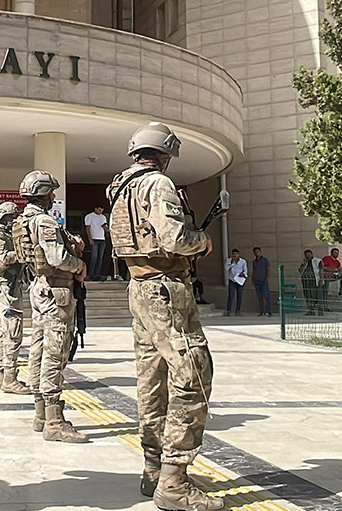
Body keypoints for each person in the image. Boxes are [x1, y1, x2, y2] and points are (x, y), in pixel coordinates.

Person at [108, 122, 223, 510]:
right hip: (166, 289)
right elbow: (174, 239)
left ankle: (154, 469)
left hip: (139, 288)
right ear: (166, 153)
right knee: (194, 372)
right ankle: (174, 480)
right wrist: (202, 242)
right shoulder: (157, 184)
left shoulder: (120, 188)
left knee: (151, 379)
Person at [14, 170, 89, 444]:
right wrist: (79, 264)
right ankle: (55, 421)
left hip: (39, 288)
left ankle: (40, 414)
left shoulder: (25, 220)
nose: (53, 197)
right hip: (56, 290)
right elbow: (57, 257)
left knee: (39, 348)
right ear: (44, 194)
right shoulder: (44, 221)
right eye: (51, 193)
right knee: (54, 353)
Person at [0, 201, 27, 394]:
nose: (14, 220)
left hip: (10, 284)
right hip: (5, 285)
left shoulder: (6, 234)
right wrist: (20, 254)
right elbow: (0, 261)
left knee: (5, 329)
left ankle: (3, 370)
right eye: (11, 217)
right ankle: (10, 377)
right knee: (12, 330)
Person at [84, 205, 108, 281]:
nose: (101, 210)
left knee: (100, 258)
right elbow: (87, 228)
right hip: (94, 238)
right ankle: (91, 274)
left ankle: (97, 274)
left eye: (102, 209)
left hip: (102, 239)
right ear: (95, 208)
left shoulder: (103, 217)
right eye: (99, 209)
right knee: (94, 257)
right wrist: (90, 239)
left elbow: (104, 227)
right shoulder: (89, 216)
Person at [299, 249, 323, 316]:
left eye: (309, 255)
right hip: (306, 281)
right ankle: (310, 309)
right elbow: (300, 271)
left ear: (312, 254)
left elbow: (321, 270)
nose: (308, 256)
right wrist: (303, 264)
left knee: (316, 295)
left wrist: (321, 279)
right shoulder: (305, 263)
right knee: (307, 295)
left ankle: (318, 309)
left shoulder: (317, 261)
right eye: (307, 255)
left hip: (314, 280)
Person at [224, 249, 247, 316]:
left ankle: (238, 311)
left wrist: (243, 274)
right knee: (231, 295)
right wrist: (231, 263)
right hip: (232, 280)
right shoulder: (229, 260)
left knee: (239, 296)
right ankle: (228, 310)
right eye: (233, 254)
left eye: (236, 254)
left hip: (239, 280)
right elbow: (226, 268)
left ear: (238, 255)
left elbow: (245, 270)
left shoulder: (243, 261)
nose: (235, 256)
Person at [252, 247, 272, 316]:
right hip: (257, 281)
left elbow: (268, 269)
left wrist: (266, 279)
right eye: (255, 252)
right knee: (259, 297)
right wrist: (253, 279)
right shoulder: (254, 261)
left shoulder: (265, 260)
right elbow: (254, 271)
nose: (257, 253)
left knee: (266, 296)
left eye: (258, 251)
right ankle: (262, 311)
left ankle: (269, 311)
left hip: (263, 281)